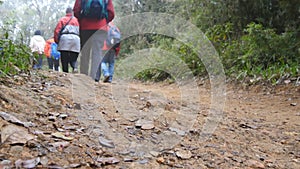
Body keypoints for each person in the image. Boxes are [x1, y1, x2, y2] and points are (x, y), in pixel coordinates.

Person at [73, 0, 115, 80]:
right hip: (101, 27)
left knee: (85, 52)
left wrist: (82, 19)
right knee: (97, 52)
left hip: (85, 26)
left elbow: (76, 10)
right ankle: (95, 76)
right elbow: (111, 12)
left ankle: (83, 75)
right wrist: (104, 21)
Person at [54, 7, 80, 73]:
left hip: (65, 39)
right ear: (72, 12)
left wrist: (57, 41)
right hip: (76, 39)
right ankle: (74, 67)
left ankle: (65, 72)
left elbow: (57, 31)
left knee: (64, 57)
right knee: (73, 56)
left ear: (66, 12)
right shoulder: (77, 20)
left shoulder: (62, 20)